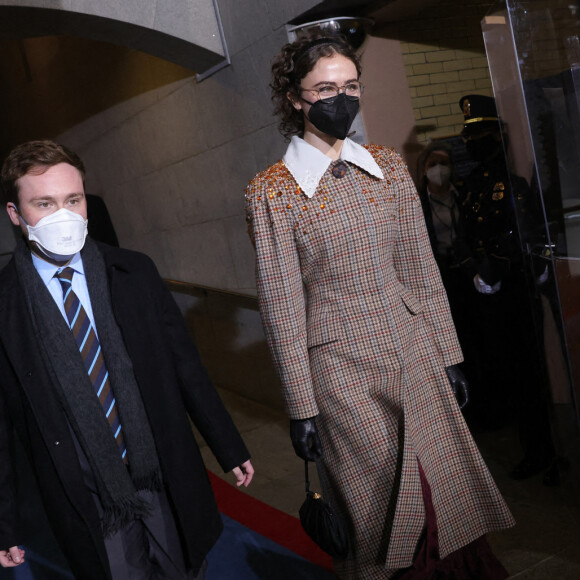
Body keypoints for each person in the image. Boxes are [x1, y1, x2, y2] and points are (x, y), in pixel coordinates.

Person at [245, 35, 514, 579]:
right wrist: (301, 406)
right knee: (385, 506)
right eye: (325, 89)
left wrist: (448, 353)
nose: (340, 99)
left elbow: (419, 267)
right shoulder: (271, 192)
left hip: (415, 350)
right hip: (344, 376)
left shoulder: (389, 168)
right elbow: (281, 306)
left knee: (445, 494)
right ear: (295, 98)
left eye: (350, 87)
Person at [0, 140, 254, 579]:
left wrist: (227, 443)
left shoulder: (134, 273)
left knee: (183, 568)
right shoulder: (5, 305)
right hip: (83, 486)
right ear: (15, 214)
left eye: (73, 200)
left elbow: (184, 365)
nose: (63, 216)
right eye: (44, 203)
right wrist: (4, 522)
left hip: (158, 466)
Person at [459, 94, 556, 480]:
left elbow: (521, 233)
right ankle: (530, 446)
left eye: (481, 133)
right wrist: (475, 273)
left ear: (497, 135)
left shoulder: (511, 182)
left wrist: (494, 271)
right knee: (507, 370)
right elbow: (466, 235)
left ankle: (544, 450)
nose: (472, 142)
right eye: (469, 135)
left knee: (530, 372)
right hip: (488, 292)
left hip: (515, 286)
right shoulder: (471, 185)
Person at [417, 141, 486, 427]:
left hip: (469, 277)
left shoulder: (465, 197)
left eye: (444, 162)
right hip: (440, 280)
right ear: (424, 169)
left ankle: (486, 407)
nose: (439, 169)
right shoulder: (419, 203)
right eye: (432, 163)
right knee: (450, 344)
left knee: (477, 342)